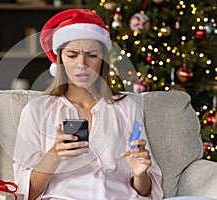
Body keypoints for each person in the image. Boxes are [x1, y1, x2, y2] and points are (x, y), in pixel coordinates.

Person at [13, 9, 164, 200]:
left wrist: (140, 173)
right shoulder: (37, 111)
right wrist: (54, 155)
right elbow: (25, 193)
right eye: (72, 55)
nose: (81, 64)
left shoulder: (128, 107)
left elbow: (147, 192)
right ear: (60, 59)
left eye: (92, 55)